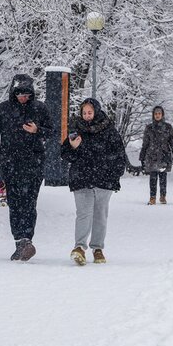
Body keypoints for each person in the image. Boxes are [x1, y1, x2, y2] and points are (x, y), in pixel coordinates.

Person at [0, 74, 52, 262]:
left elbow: (52, 132)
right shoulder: (3, 109)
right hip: (10, 164)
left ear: (32, 93)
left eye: (26, 95)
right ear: (13, 92)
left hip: (34, 163)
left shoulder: (40, 109)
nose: (23, 98)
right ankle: (19, 241)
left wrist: (37, 131)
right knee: (14, 203)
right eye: (20, 94)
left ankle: (26, 239)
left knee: (29, 203)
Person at [61, 98, 126, 265]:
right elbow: (65, 154)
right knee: (83, 214)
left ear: (96, 112)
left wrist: (115, 174)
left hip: (104, 179)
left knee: (100, 215)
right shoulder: (76, 129)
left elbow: (119, 154)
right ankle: (79, 247)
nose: (87, 116)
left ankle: (97, 248)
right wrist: (73, 147)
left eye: (90, 112)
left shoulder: (109, 130)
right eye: (84, 113)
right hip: (81, 178)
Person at [139, 106, 173, 205]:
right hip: (152, 155)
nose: (157, 115)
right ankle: (152, 197)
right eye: (156, 114)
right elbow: (145, 143)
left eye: (159, 113)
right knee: (153, 177)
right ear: (153, 115)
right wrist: (142, 155)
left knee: (163, 176)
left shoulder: (168, 127)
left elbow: (172, 141)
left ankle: (163, 196)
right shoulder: (149, 127)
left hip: (164, 154)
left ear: (162, 115)